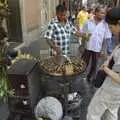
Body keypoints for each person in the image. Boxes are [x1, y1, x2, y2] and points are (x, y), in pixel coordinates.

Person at [87, 5, 120, 120]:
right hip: (116, 94)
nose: (111, 31)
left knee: (93, 113)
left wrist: (105, 69)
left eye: (111, 27)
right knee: (111, 113)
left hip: (112, 90)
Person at [82, 7, 111, 83]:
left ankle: (90, 77)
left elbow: (106, 38)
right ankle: (81, 77)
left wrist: (103, 49)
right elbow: (83, 35)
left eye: (104, 13)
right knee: (84, 63)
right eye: (101, 13)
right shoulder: (87, 22)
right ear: (96, 13)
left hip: (97, 48)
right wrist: (82, 46)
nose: (103, 15)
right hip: (87, 47)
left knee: (94, 65)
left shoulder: (105, 25)